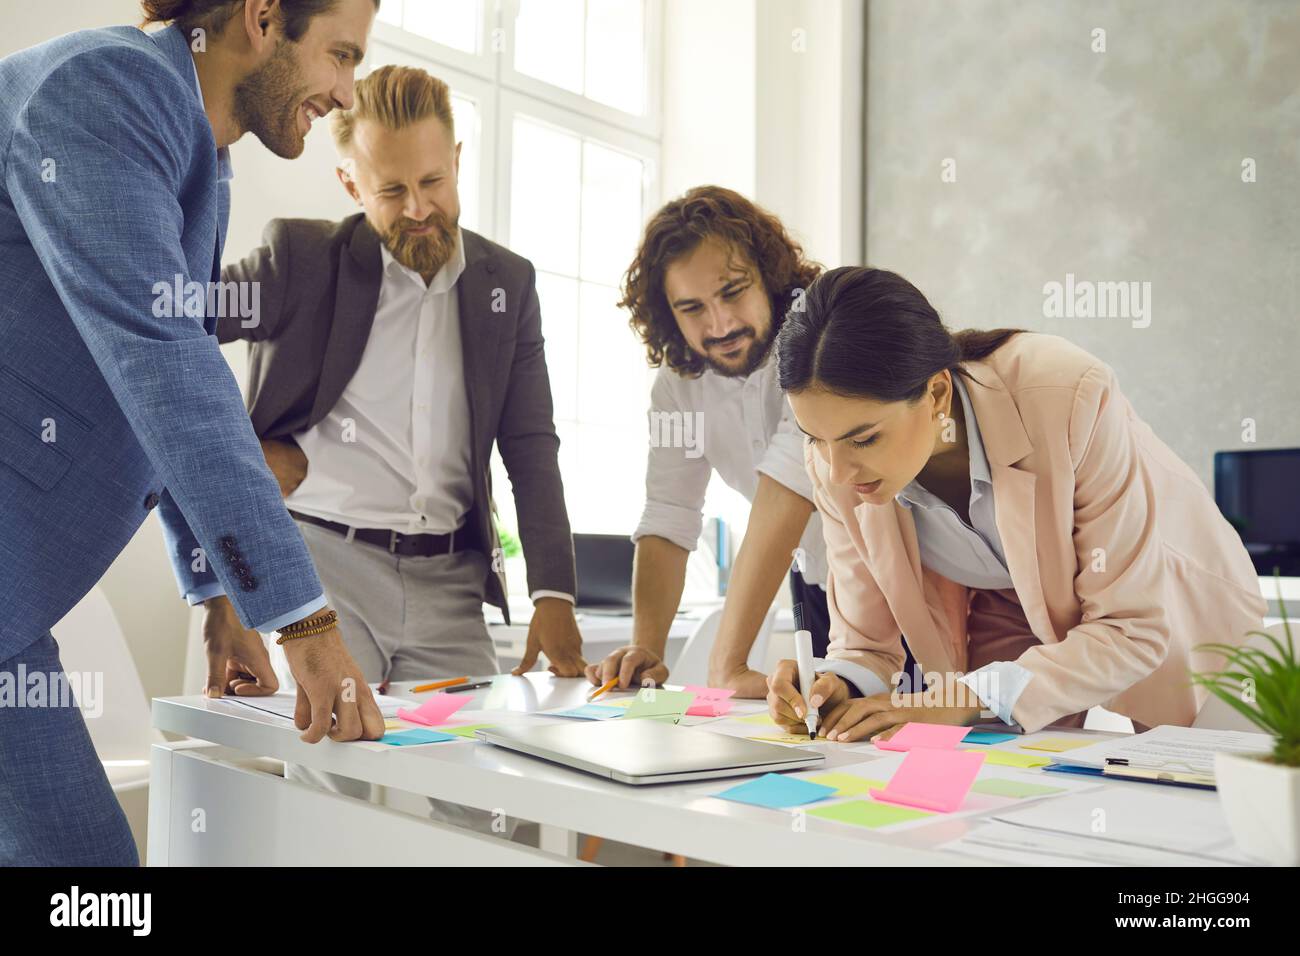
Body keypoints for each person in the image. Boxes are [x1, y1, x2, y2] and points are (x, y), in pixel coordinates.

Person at [0, 0, 381, 866]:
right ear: (262, 16)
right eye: (341, 55)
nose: (346, 92)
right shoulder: (104, 90)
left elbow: (167, 368)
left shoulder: (193, 140)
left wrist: (215, 593)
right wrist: (302, 623)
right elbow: (166, 367)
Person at [767, 266, 1265, 741]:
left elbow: (1131, 626)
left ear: (937, 393)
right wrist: (836, 683)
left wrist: (963, 696)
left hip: (1167, 593)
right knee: (1004, 767)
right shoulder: (836, 468)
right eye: (815, 439)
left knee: (1182, 786)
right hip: (1011, 605)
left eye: (864, 439)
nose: (837, 471)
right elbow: (866, 644)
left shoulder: (1067, 394)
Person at [586, 186, 833, 699]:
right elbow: (669, 513)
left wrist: (727, 663)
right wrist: (646, 650)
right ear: (667, 313)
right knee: (834, 744)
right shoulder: (679, 386)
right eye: (692, 307)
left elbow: (789, 487)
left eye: (733, 292)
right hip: (817, 584)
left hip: (910, 575)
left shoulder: (821, 333)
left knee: (934, 735)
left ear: (769, 275)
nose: (719, 324)